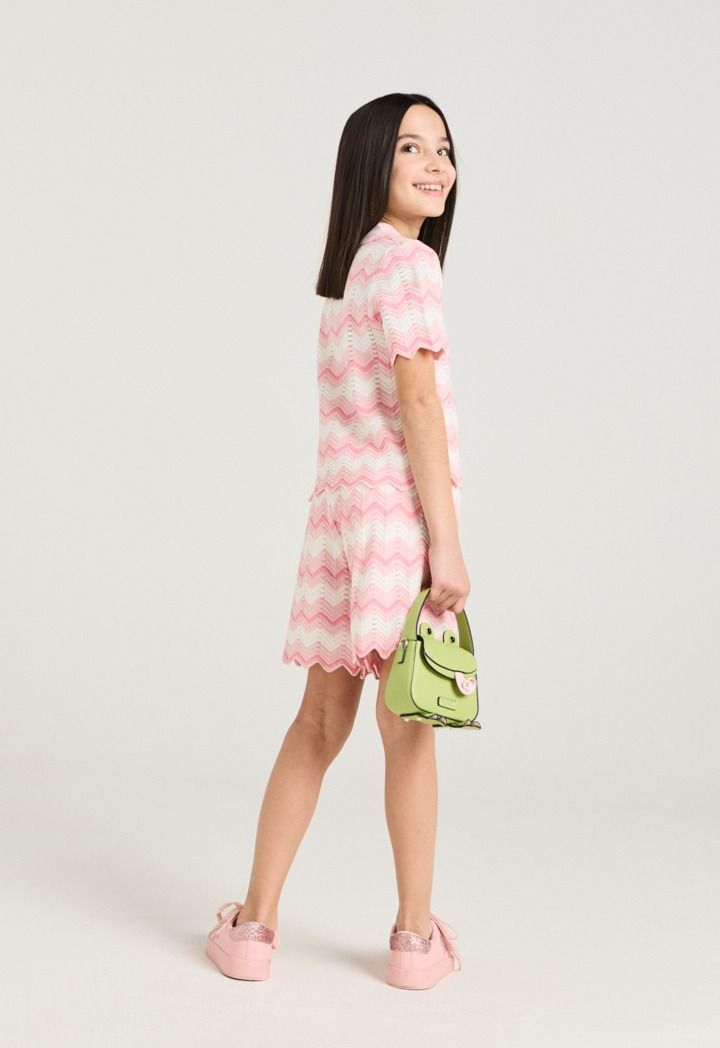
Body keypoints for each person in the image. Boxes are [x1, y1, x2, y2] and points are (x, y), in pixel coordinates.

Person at [206, 93, 469, 990]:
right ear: (371, 163)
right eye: (411, 149)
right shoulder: (411, 266)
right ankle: (414, 941)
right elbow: (418, 403)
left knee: (318, 724)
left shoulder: (354, 271)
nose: (436, 165)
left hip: (337, 520)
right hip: (395, 519)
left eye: (444, 149)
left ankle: (252, 928)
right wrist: (447, 544)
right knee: (411, 730)